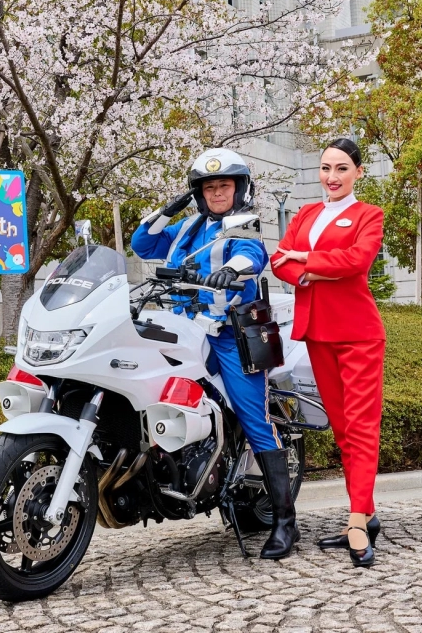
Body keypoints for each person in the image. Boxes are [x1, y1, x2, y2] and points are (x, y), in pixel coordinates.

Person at [131, 147, 297, 560]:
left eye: (224, 185)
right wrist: (170, 208)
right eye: (208, 187)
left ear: (239, 189)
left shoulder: (244, 226)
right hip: (179, 331)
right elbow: (141, 243)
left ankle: (284, 523)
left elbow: (252, 255)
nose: (217, 193)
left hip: (226, 336)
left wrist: (232, 270)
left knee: (253, 417)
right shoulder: (186, 228)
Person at [270, 138, 386, 569]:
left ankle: (357, 522)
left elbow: (357, 261)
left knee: (361, 425)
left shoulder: (368, 215)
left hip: (358, 334)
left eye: (341, 169)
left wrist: (308, 258)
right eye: (325, 168)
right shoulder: (305, 214)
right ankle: (367, 511)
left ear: (358, 172)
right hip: (317, 333)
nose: (331, 177)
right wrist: (306, 270)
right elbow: (279, 259)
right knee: (341, 428)